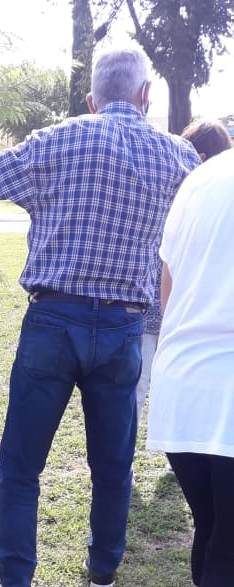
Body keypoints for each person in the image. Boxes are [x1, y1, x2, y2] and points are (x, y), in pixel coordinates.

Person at [0, 46, 199, 587]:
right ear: (146, 96)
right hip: (124, 329)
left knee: (22, 462)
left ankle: (16, 585)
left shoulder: (60, 140)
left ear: (92, 99)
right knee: (113, 463)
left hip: (52, 322)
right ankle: (103, 569)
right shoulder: (180, 159)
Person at [147, 148, 234, 587]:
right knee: (231, 551)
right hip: (226, 383)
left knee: (217, 528)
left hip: (183, 380)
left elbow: (167, 288)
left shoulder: (204, 176)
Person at [135, 120, 232, 427]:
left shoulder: (184, 188)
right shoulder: (204, 194)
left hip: (160, 304)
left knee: (142, 385)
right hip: (175, 306)